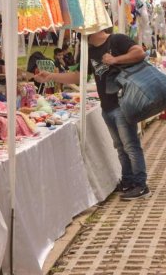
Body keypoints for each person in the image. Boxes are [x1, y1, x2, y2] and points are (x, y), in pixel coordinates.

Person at [34, 28, 151, 200]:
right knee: (120, 146)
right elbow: (78, 76)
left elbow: (139, 52)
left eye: (79, 33)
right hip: (107, 106)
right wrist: (51, 76)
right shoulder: (87, 50)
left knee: (131, 145)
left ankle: (141, 185)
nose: (77, 37)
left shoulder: (116, 40)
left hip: (122, 103)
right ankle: (128, 180)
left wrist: (115, 59)